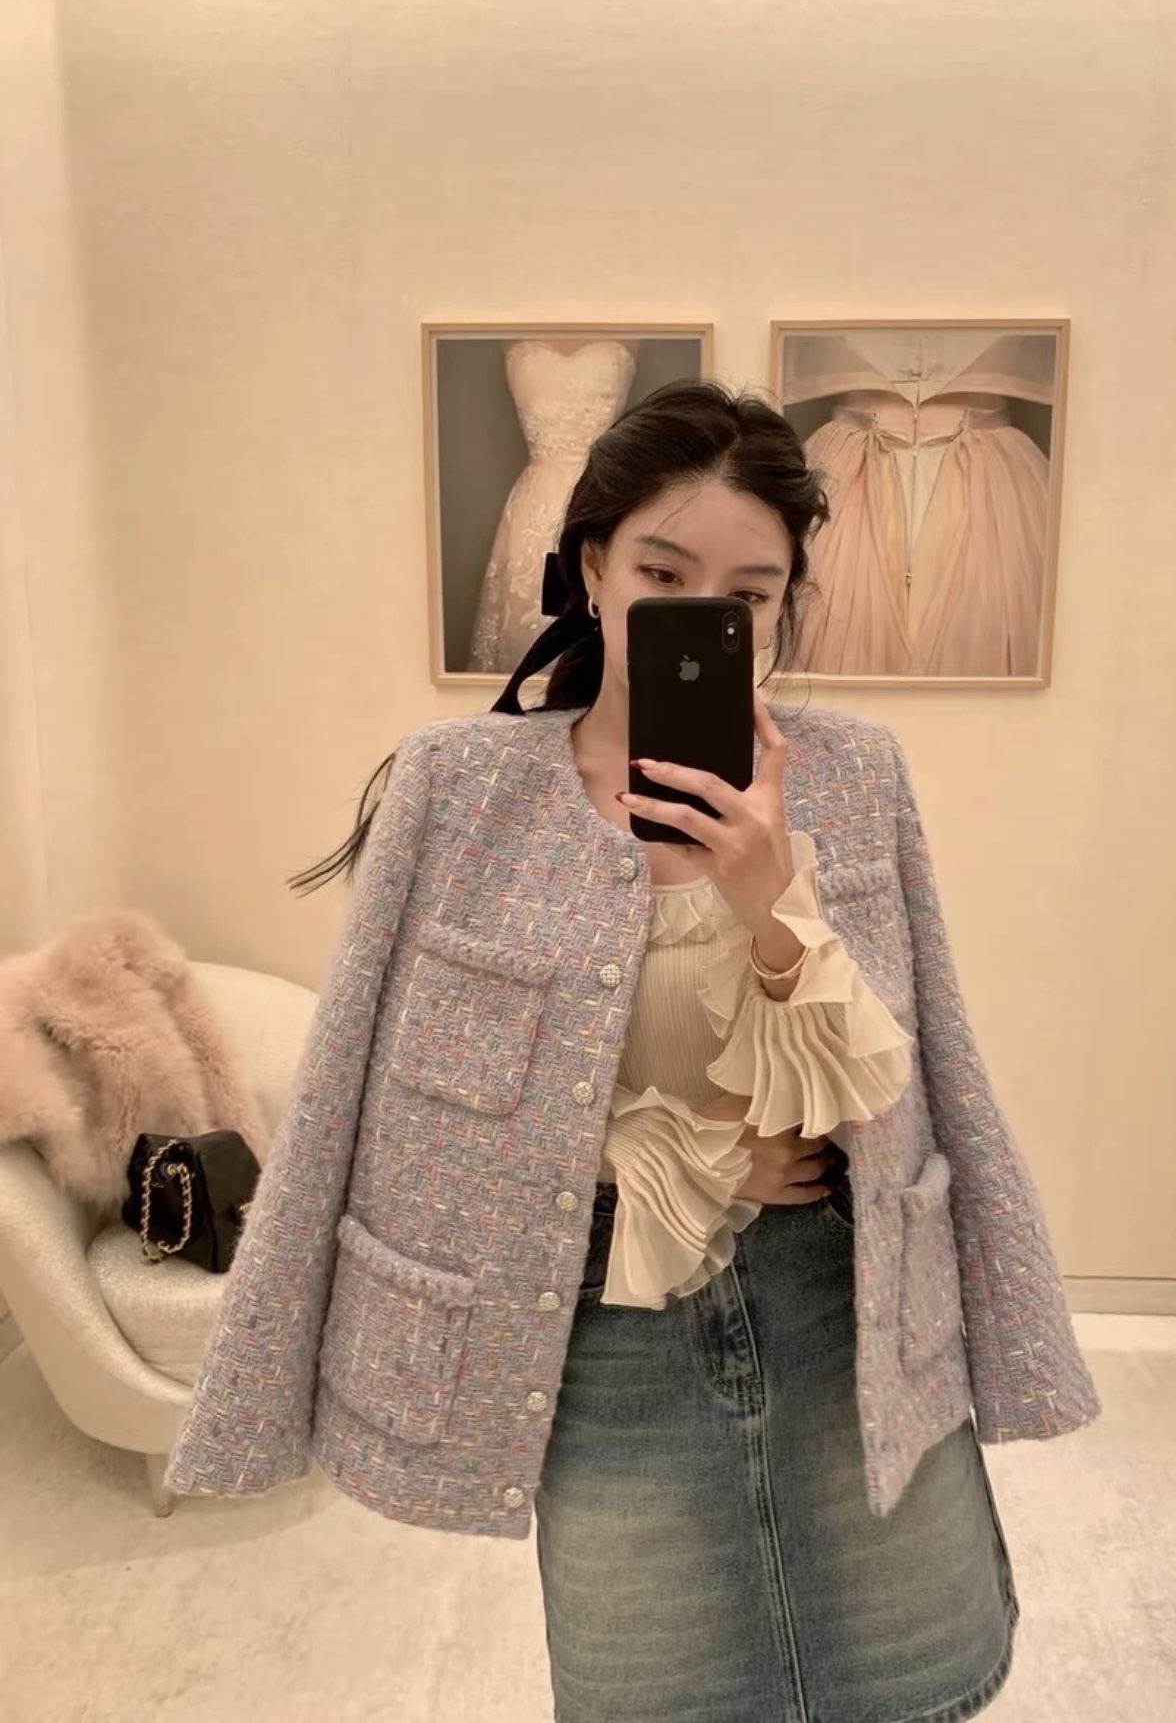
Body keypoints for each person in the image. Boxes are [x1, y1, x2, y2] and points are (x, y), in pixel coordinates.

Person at [164, 380, 1099, 1723]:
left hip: (841, 1305)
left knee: (902, 1676)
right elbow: (397, 1111)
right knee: (656, 1688)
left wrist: (771, 896)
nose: (702, 610)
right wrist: (683, 1158)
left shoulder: (853, 776)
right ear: (593, 565)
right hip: (600, 1321)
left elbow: (899, 1077)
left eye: (748, 592)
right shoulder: (457, 789)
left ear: (782, 606)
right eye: (663, 573)